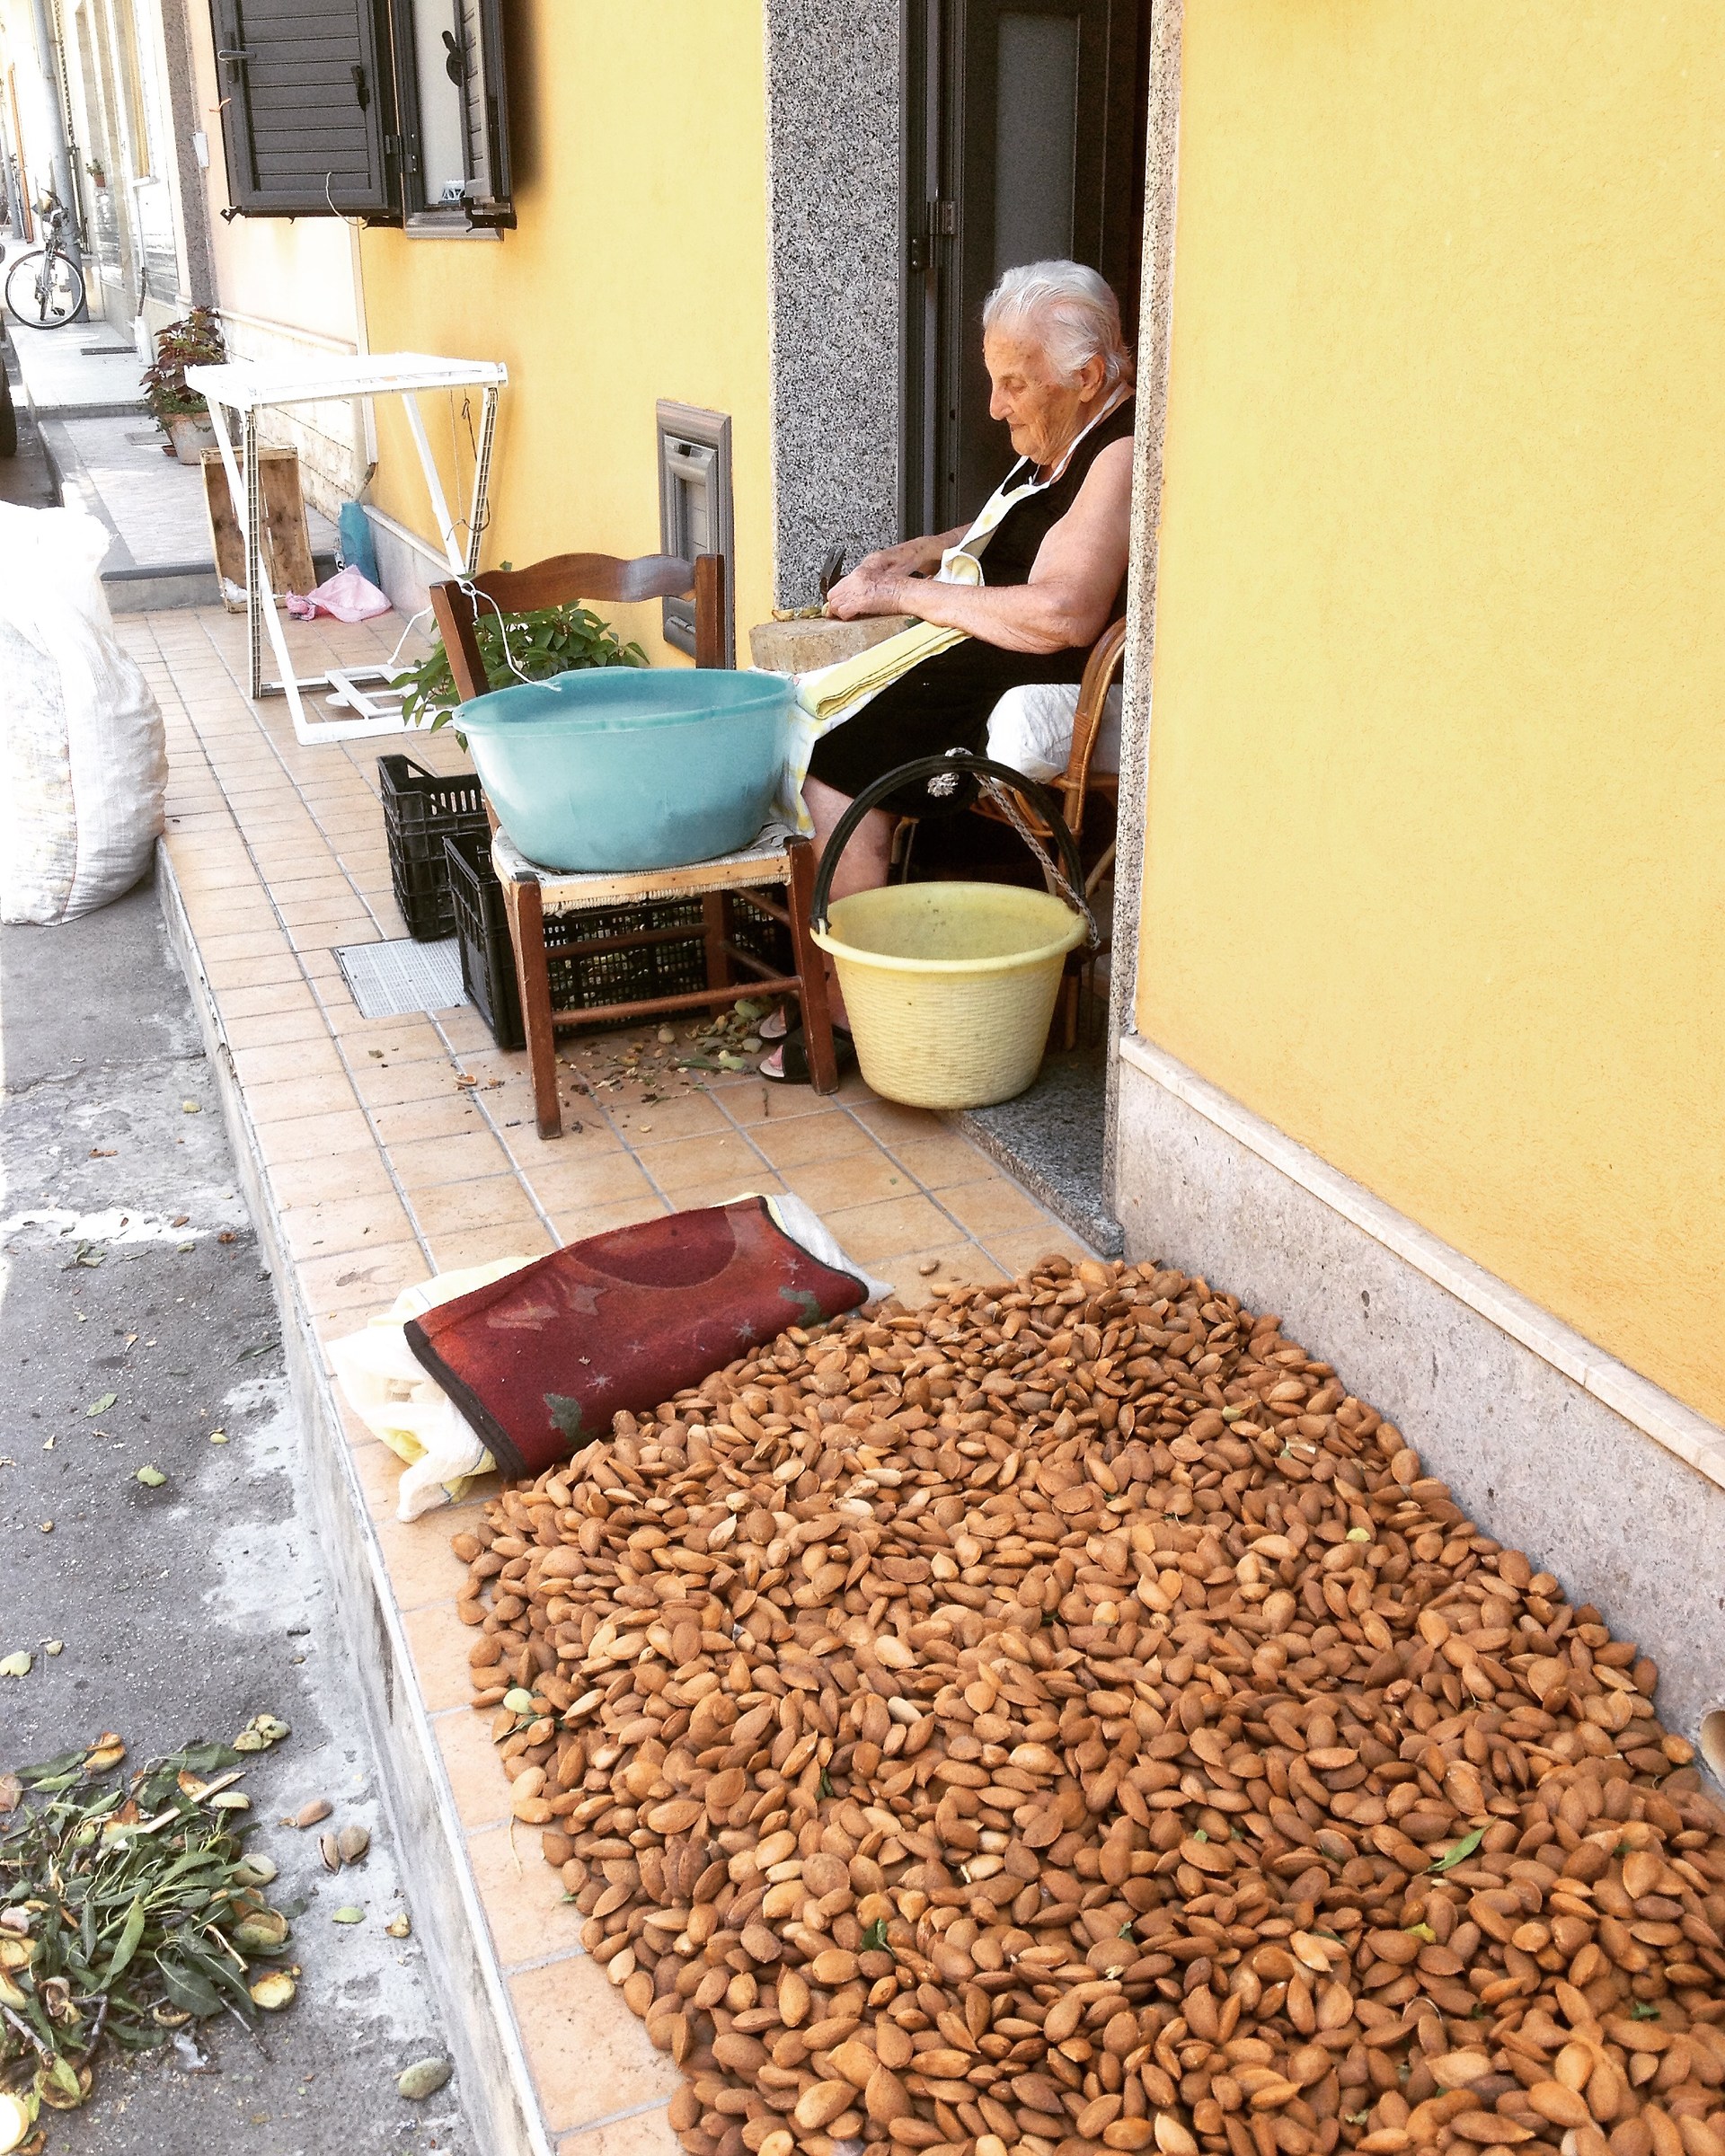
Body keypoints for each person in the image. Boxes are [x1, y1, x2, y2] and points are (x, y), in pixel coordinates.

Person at [763, 258, 1135, 1082]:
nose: (995, 405)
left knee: (837, 764)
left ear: (1088, 377)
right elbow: (1020, 525)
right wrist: (915, 553)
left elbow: (1063, 612)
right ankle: (826, 977)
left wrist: (904, 593)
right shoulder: (1064, 435)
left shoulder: (1117, 453)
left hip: (1034, 662)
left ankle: (851, 1010)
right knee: (806, 719)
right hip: (986, 645)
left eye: (1014, 384)